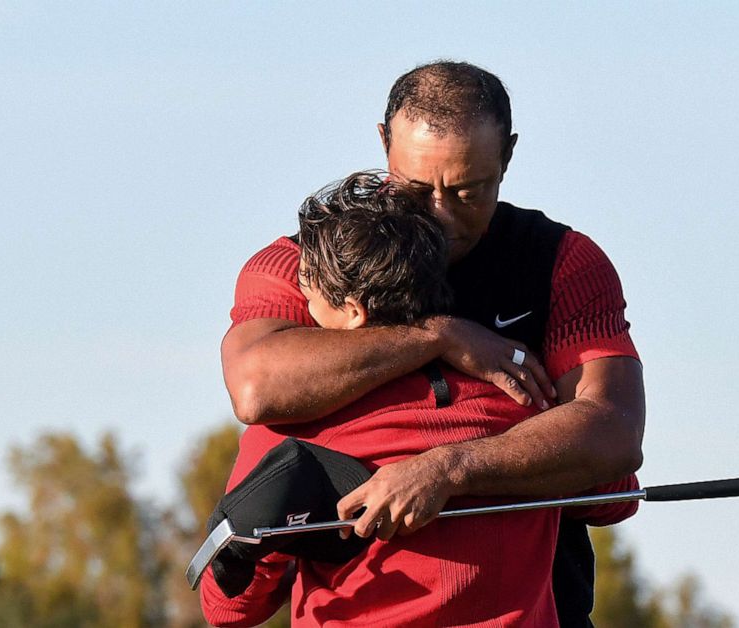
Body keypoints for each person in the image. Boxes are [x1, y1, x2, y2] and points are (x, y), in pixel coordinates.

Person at [221, 61, 646, 626]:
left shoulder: (561, 263)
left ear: (508, 156)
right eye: (419, 190)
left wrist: (449, 470)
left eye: (470, 192)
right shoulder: (309, 268)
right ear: (383, 143)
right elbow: (255, 387)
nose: (443, 218)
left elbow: (613, 438)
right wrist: (439, 335)